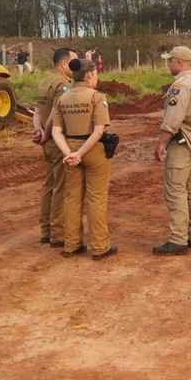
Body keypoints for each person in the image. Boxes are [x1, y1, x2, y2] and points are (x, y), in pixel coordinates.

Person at [51, 58, 118, 261]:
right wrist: (80, 154)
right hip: (92, 151)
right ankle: (100, 246)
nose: (97, 78)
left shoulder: (63, 98)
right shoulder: (97, 97)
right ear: (89, 74)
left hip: (70, 149)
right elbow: (99, 131)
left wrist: (69, 154)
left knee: (72, 198)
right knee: (96, 199)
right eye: (96, 74)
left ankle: (71, 244)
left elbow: (56, 131)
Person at [153, 45, 191, 255]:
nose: (168, 64)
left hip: (181, 145)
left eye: (170, 61)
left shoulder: (181, 86)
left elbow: (173, 120)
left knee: (176, 191)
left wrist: (161, 143)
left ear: (179, 62)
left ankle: (178, 239)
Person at [32, 47, 77, 247]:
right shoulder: (62, 85)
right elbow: (53, 115)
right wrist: (48, 133)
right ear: (64, 64)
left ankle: (46, 230)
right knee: (61, 186)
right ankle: (57, 233)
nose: (76, 69)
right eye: (73, 63)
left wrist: (39, 132)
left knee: (49, 184)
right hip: (57, 141)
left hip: (46, 142)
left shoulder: (44, 81)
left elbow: (37, 111)